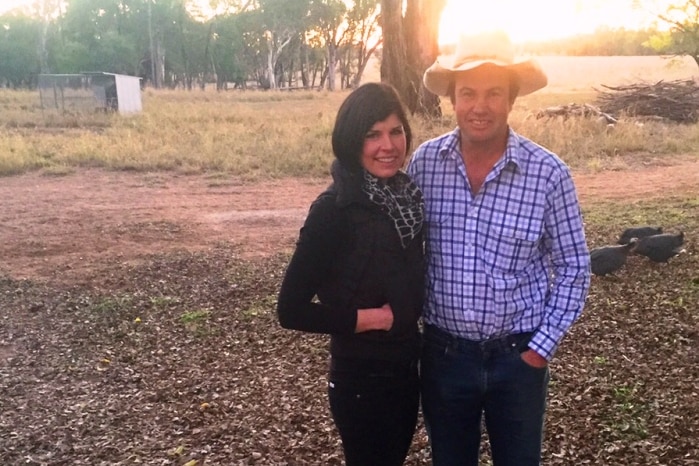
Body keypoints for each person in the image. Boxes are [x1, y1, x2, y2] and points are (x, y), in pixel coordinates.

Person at [406, 31, 591, 466]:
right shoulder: (425, 165)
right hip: (444, 357)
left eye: (494, 93)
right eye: (467, 93)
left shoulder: (548, 174)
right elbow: (403, 248)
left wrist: (540, 347)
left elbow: (574, 267)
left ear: (511, 99)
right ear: (452, 99)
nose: (480, 106)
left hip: (518, 359)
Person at [277, 82, 424, 466]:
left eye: (396, 131)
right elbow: (290, 309)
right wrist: (372, 318)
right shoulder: (334, 210)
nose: (387, 145)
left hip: (407, 369)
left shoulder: (406, 197)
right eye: (372, 134)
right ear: (351, 140)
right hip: (362, 377)